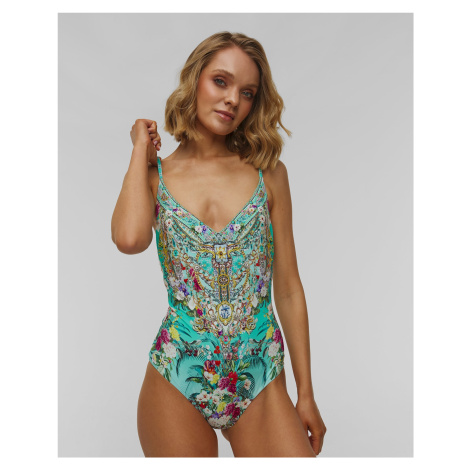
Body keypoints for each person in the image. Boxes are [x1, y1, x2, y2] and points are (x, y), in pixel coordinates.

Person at [111, 31, 326, 458]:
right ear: (195, 80)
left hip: (260, 376)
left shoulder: (269, 173)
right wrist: (139, 150)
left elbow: (287, 288)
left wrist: (306, 394)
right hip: (177, 373)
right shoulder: (155, 177)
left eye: (247, 93)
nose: (232, 100)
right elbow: (129, 239)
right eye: (221, 82)